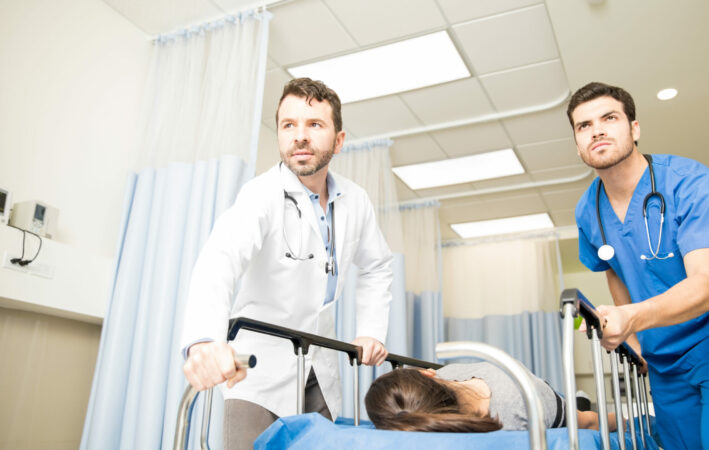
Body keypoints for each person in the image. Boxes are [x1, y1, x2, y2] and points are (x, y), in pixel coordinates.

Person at [568, 82, 709, 449]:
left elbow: (708, 286)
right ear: (577, 143)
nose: (597, 130)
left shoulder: (692, 184)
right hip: (665, 352)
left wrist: (632, 317)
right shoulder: (588, 210)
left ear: (634, 129)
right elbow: (616, 271)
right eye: (583, 125)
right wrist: (634, 343)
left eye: (609, 118)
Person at [180, 78, 393, 449]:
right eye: (288, 125)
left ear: (338, 140)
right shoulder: (260, 196)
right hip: (255, 369)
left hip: (320, 368)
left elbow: (377, 266)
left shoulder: (356, 202)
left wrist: (372, 330)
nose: (300, 136)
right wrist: (203, 342)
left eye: (314, 124)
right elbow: (220, 260)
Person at [364, 363, 613, 432]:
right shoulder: (437, 380)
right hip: (511, 386)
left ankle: (580, 397)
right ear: (428, 374)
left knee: (581, 411)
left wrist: (626, 423)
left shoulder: (518, 405)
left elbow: (590, 422)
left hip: (539, 394)